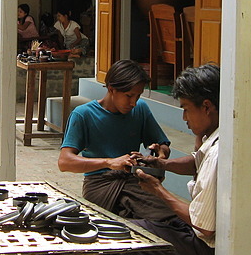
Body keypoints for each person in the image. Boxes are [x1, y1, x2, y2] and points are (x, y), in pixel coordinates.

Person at [88, 63, 251, 255]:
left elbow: (204, 227)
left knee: (136, 239)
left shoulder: (220, 154)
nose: (184, 118)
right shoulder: (227, 137)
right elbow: (195, 161)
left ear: (207, 107)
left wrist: (158, 190)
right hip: (229, 248)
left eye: (187, 109)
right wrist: (162, 164)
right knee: (146, 226)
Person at [58, 60, 176, 223]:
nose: (133, 103)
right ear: (111, 89)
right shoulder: (83, 114)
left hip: (135, 181)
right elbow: (65, 162)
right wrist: (109, 162)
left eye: (138, 96)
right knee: (152, 218)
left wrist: (159, 154)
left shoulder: (140, 109)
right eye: (129, 96)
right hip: (100, 184)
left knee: (168, 217)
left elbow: (162, 145)